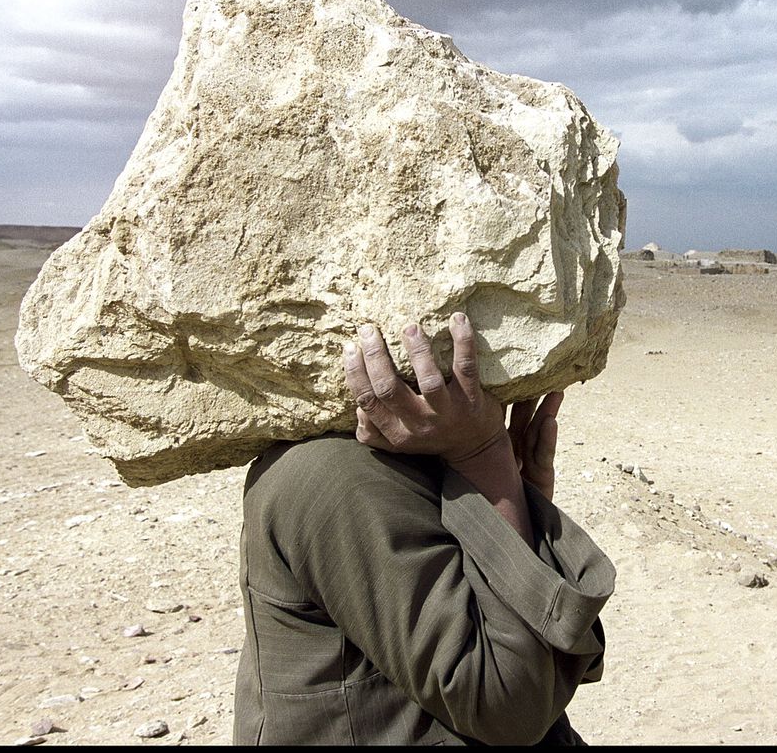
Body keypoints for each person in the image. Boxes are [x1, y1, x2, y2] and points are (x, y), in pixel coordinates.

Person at [233, 312, 614, 745]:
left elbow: (555, 669)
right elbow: (510, 702)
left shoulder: (421, 451)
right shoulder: (339, 477)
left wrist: (514, 498)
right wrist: (484, 458)